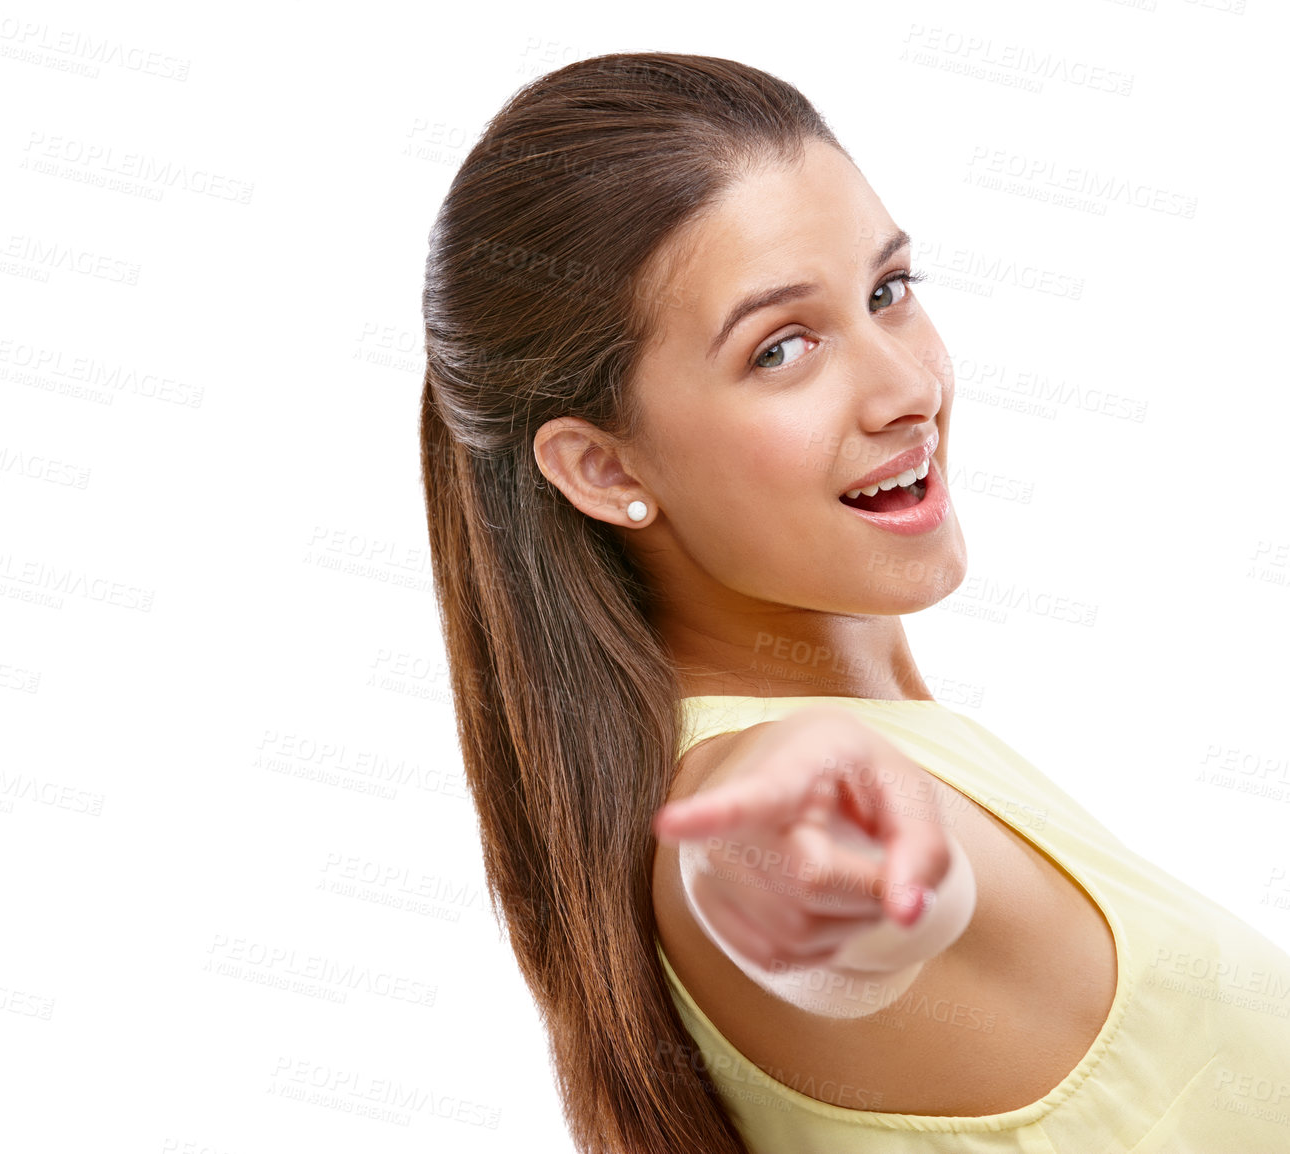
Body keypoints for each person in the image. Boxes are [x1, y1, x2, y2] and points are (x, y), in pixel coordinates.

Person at [418, 52, 1290, 1153]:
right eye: (779, 349)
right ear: (601, 467)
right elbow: (774, 846)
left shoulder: (909, 732)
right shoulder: (754, 803)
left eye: (887, 292)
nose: (906, 388)